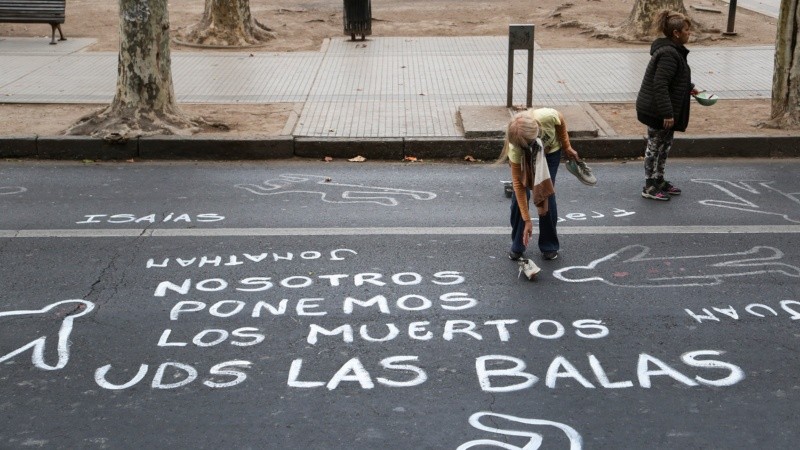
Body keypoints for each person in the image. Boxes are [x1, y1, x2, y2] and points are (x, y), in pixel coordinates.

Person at [498, 108, 582, 262]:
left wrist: (567, 146)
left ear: (537, 130)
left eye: (530, 142)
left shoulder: (546, 116)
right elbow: (519, 186)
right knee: (519, 199)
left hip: (550, 153)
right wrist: (528, 220)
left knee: (546, 193)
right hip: (525, 158)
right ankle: (518, 244)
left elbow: (561, 121)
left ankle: (549, 245)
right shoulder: (516, 147)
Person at [636, 10, 699, 201]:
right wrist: (667, 113)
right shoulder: (669, 53)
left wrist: (690, 88)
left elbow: (674, 79)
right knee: (654, 147)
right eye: (687, 30)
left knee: (664, 146)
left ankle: (659, 180)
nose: (690, 33)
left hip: (664, 109)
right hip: (657, 111)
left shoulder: (673, 51)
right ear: (676, 33)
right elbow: (660, 84)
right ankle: (649, 186)